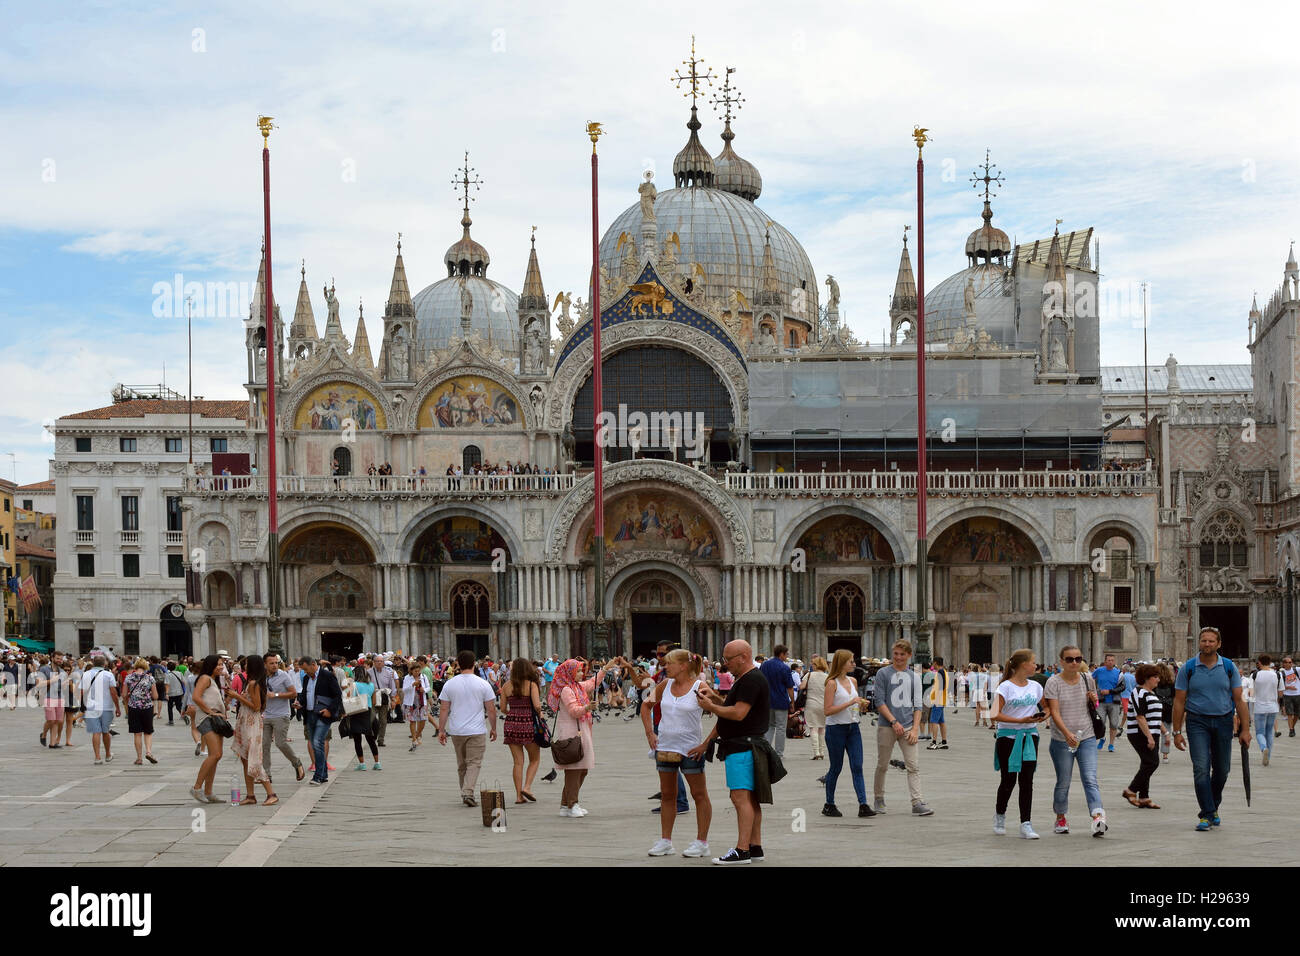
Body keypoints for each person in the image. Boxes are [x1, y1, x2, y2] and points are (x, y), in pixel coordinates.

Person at [696, 640, 774, 864]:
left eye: (728, 659)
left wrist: (710, 707)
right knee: (750, 798)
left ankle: (742, 850)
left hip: (743, 748)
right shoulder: (747, 679)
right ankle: (755, 846)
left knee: (740, 797)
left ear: (743, 656)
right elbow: (733, 709)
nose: (725, 663)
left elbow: (738, 714)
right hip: (747, 745)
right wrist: (714, 697)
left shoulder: (751, 680)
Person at [1172, 626, 1250, 831]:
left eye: (1211, 641)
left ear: (1219, 644)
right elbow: (1179, 701)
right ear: (1199, 643)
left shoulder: (1228, 667)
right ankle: (1206, 813)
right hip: (1197, 721)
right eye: (1204, 641)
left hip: (1224, 721)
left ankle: (1212, 806)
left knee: (1222, 770)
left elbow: (1239, 699)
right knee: (1200, 768)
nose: (1207, 644)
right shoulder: (1188, 668)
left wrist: (1245, 729)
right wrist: (1177, 732)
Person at [642, 650, 712, 858]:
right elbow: (646, 707)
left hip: (690, 748)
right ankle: (665, 841)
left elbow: (721, 711)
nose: (665, 667)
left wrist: (706, 744)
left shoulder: (700, 687)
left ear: (683, 666)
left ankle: (702, 842)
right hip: (665, 747)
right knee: (668, 795)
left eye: (669, 664)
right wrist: (650, 733)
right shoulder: (665, 685)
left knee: (699, 795)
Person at [1043, 644, 1106, 837]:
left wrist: (1094, 699)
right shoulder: (1053, 682)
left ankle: (1097, 818)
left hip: (1086, 736)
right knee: (1064, 781)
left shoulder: (1088, 678)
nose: (1074, 663)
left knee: (1090, 778)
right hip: (1062, 740)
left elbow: (1093, 705)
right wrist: (1067, 734)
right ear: (1061, 662)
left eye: (1078, 659)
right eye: (1069, 659)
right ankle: (1060, 817)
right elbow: (1054, 712)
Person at [872, 640, 934, 816]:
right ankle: (879, 798)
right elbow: (879, 702)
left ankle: (917, 802)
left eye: (901, 654)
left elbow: (918, 705)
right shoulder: (882, 673)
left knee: (913, 765)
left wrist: (915, 729)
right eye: (896, 654)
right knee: (883, 764)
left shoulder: (914, 677)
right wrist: (893, 721)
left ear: (909, 656)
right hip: (887, 726)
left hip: (907, 727)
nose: (898, 657)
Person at [549, 657, 616, 817]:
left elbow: (593, 682)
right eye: (578, 670)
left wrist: (605, 668)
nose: (581, 673)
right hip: (571, 733)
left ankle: (565, 805)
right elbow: (573, 710)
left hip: (581, 731)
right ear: (569, 673)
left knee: (582, 769)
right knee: (574, 770)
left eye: (581, 670)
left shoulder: (577, 686)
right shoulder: (566, 690)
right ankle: (573, 804)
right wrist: (587, 707)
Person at [993, 648, 1048, 838]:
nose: (1036, 665)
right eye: (1033, 662)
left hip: (1029, 737)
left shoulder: (1035, 686)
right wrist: (1020, 721)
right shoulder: (1005, 687)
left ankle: (1026, 823)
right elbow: (995, 714)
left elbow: (1047, 707)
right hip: (1008, 737)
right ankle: (1000, 814)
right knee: (1008, 780)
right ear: (1024, 665)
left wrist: (1042, 716)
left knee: (1027, 781)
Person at [437, 649, 499, 808]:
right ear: (474, 664)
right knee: (474, 763)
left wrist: (441, 730)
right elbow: (491, 709)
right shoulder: (483, 683)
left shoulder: (450, 684)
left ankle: (465, 791)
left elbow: (444, 709)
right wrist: (493, 728)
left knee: (462, 764)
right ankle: (467, 792)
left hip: (457, 730)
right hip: (476, 730)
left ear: (458, 663)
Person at [821, 649, 875, 819]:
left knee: (857, 766)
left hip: (853, 728)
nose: (853, 664)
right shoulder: (831, 683)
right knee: (836, 768)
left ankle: (863, 804)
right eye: (850, 661)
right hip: (836, 729)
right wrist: (851, 702)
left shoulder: (852, 681)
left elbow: (854, 704)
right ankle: (829, 804)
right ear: (841, 663)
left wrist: (861, 706)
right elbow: (828, 710)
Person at [229, 655, 277, 805]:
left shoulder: (253, 684)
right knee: (245, 758)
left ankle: (271, 793)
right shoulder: (252, 683)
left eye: (247, 664)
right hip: (245, 722)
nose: (244, 666)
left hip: (251, 723)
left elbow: (256, 706)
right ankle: (250, 795)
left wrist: (237, 696)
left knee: (253, 759)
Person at [499, 658, 544, 804]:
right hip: (529, 724)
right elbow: (537, 706)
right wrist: (540, 715)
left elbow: (502, 708)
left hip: (511, 724)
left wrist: (513, 713)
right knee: (535, 759)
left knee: (518, 762)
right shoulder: (531, 685)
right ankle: (527, 787)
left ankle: (519, 796)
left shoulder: (506, 686)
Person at [1122, 663, 1163, 810]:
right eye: (1155, 677)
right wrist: (1149, 737)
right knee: (1152, 762)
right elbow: (1140, 716)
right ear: (1147, 678)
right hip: (1140, 733)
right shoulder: (1138, 692)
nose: (1158, 680)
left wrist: (1165, 732)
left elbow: (1155, 716)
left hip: (1152, 732)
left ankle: (1144, 797)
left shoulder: (1151, 693)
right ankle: (1131, 790)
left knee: (1146, 762)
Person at [299, 656, 343, 786]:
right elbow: (305, 694)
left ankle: (318, 775)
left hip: (323, 714)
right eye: (303, 671)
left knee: (318, 743)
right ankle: (323, 775)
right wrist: (299, 702)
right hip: (309, 713)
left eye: (306, 669)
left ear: (313, 664)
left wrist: (330, 710)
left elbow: (337, 695)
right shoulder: (307, 678)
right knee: (315, 744)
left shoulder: (327, 676)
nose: (306, 673)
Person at [261, 653, 305, 782]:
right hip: (266, 714)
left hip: (281, 714)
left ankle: (297, 763)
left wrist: (275, 695)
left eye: (276, 662)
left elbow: (293, 693)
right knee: (264, 744)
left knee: (280, 743)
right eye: (271, 663)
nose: (275, 665)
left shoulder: (283, 675)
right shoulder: (261, 676)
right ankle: (267, 774)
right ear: (265, 664)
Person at [190, 656, 228, 803]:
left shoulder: (214, 680)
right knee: (215, 754)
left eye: (222, 664)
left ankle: (208, 791)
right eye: (218, 664)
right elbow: (196, 697)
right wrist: (210, 712)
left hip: (217, 720)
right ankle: (197, 787)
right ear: (211, 665)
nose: (221, 667)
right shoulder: (205, 678)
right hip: (206, 719)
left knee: (216, 756)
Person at [758, 644, 797, 758]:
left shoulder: (764, 665)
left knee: (769, 726)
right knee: (780, 727)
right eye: (786, 654)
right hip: (781, 700)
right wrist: (792, 702)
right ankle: (779, 753)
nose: (787, 656)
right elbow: (790, 687)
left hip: (767, 701)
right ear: (782, 654)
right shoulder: (784, 668)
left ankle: (766, 751)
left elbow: (759, 681)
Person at [81, 655, 120, 765]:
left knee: (96, 732)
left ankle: (97, 757)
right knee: (105, 731)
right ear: (105, 664)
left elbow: (82, 692)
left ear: (93, 663)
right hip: (106, 707)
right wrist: (117, 707)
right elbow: (113, 692)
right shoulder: (109, 675)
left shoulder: (86, 674)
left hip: (91, 707)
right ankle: (108, 754)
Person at [122, 658, 158, 765]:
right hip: (147, 707)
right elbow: (155, 696)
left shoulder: (128, 678)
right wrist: (148, 695)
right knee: (148, 732)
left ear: (135, 666)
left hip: (133, 708)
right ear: (146, 667)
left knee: (137, 734)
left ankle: (139, 758)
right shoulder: (150, 678)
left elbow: (124, 695)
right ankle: (148, 752)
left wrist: (130, 696)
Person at [347, 662, 381, 771]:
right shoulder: (371, 685)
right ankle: (377, 763)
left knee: (357, 740)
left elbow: (350, 698)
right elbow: (374, 701)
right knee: (370, 739)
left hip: (357, 712)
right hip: (368, 712)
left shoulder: (354, 685)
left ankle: (362, 764)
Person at [1253, 654, 1280, 766]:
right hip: (1273, 707)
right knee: (1269, 732)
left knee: (1260, 732)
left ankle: (1264, 748)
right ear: (1270, 662)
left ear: (1259, 662)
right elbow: (1281, 692)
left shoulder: (1255, 675)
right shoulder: (1277, 674)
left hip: (1259, 707)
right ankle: (1267, 757)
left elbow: (1250, 692)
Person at [1092, 653, 1123, 752]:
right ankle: (1102, 738)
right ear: (1105, 661)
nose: (1110, 662)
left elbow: (1123, 687)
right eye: (1108, 660)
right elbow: (1091, 680)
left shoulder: (1119, 673)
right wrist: (1094, 691)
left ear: (1115, 662)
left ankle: (1111, 744)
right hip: (1101, 701)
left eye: (1112, 660)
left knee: (1114, 724)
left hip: (1114, 702)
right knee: (1100, 723)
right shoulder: (1099, 671)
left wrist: (1110, 691)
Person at [801, 656, 829, 760]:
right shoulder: (828, 676)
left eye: (813, 663)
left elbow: (802, 687)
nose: (812, 665)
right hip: (824, 704)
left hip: (811, 704)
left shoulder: (809, 675)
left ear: (816, 665)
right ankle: (822, 751)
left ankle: (816, 752)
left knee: (813, 728)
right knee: (822, 728)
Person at [370, 655, 399, 747]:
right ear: (374, 662)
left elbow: (392, 687)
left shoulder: (388, 673)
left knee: (383, 721)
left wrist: (393, 699)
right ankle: (371, 737)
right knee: (371, 718)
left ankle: (381, 740)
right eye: (377, 661)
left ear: (383, 663)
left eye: (381, 661)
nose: (379, 663)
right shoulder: (368, 672)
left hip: (384, 697)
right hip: (373, 698)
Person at [402, 661, 431, 750]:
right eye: (415, 671)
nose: (417, 673)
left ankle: (418, 735)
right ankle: (414, 739)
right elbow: (404, 690)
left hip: (422, 702)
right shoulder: (407, 678)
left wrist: (424, 690)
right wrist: (412, 685)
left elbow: (428, 687)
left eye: (418, 671)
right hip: (411, 702)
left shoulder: (423, 677)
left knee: (423, 720)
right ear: (411, 671)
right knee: (412, 721)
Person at [926, 657, 951, 750]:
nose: (932, 665)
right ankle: (944, 741)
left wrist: (936, 699)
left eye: (933, 663)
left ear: (936, 663)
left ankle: (934, 742)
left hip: (938, 700)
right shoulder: (944, 672)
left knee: (934, 721)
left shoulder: (940, 672)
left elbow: (941, 687)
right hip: (941, 700)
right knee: (941, 721)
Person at [1279, 655, 1300, 736]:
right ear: (1283, 664)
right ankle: (1291, 730)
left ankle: (1292, 727)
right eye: (1287, 662)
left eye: (1290, 662)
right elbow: (1279, 686)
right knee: (1289, 713)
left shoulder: (1296, 670)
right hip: (1287, 695)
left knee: (1297, 714)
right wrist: (1288, 687)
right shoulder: (1281, 673)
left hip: (1298, 694)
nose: (1289, 664)